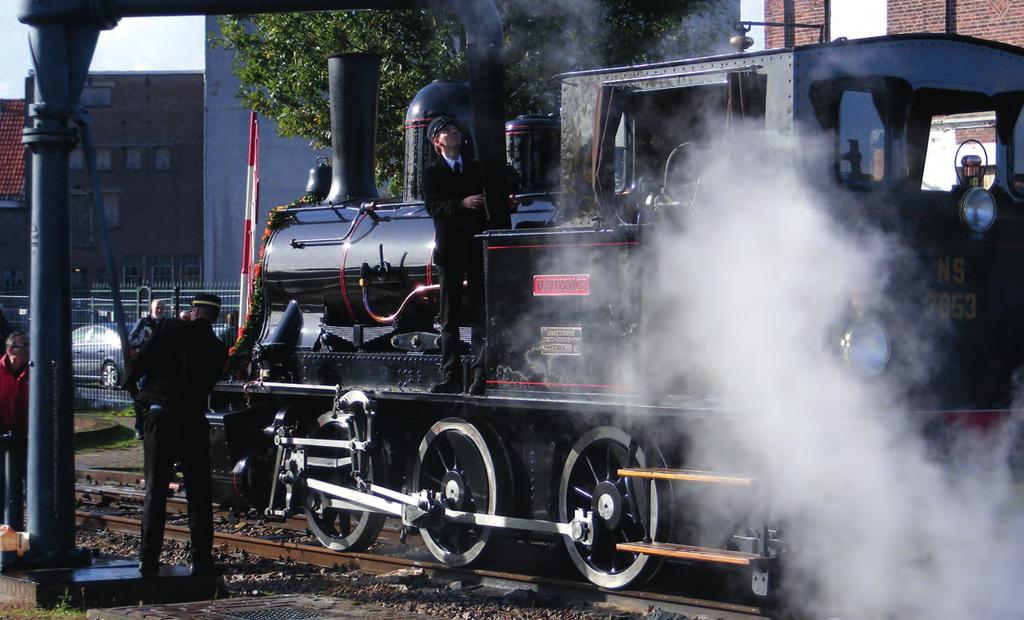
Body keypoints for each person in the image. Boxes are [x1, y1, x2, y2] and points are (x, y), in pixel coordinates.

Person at [122, 293, 228, 577]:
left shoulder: (169, 328)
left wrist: (132, 387)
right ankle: (201, 560)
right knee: (199, 492)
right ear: (214, 317)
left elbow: (139, 362)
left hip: (161, 416)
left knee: (156, 490)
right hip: (193, 420)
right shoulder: (217, 348)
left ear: (193, 311)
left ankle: (148, 560)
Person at [422, 116, 488, 395]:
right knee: (448, 316)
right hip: (450, 250)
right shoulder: (432, 172)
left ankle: (480, 373)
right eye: (446, 131)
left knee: (480, 313)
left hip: (476, 247)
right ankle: (450, 374)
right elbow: (433, 207)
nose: (453, 133)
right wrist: (461, 203)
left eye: (455, 129)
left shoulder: (475, 168)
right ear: (437, 142)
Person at [0, 331, 28, 529]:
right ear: (10, 350)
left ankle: (16, 533)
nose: (28, 349)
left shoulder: (32, 372)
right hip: (2, 439)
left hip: (25, 439)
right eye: (23, 346)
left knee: (21, 488)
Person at [127, 299, 167, 439]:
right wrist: (145, 342)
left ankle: (156, 427)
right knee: (142, 397)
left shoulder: (166, 324)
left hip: (161, 366)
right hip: (146, 365)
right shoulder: (144, 322)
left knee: (159, 399)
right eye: (157, 308)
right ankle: (140, 428)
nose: (160, 310)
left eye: (162, 308)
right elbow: (131, 339)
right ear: (152, 308)